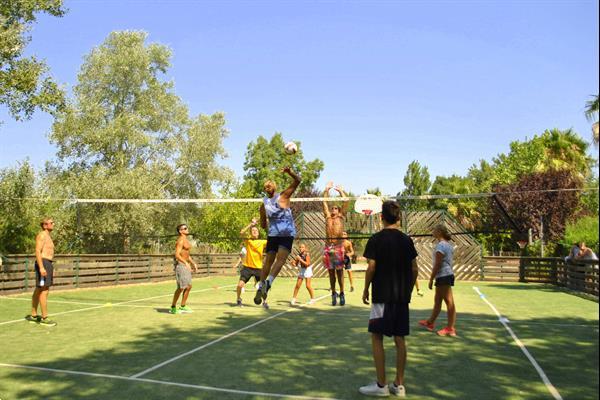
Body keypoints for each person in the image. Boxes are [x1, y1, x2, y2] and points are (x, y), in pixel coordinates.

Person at [359, 201, 418, 397]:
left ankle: (381, 385)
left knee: (377, 336)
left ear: (380, 217)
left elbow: (372, 267)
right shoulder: (407, 240)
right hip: (401, 297)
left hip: (381, 297)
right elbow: (414, 269)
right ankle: (399, 385)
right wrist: (407, 290)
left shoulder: (376, 239)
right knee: (399, 339)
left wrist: (366, 288)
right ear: (398, 218)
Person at [254, 167, 301, 309]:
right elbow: (298, 180)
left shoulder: (263, 204)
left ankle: (260, 285)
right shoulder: (283, 197)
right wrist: (290, 172)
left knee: (267, 262)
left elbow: (262, 224)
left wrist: (266, 223)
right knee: (280, 261)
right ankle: (268, 282)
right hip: (286, 233)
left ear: (265, 190)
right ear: (275, 188)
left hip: (273, 234)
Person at [418, 224, 457, 337]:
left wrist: (431, 279)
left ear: (439, 232)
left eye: (434, 230)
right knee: (438, 301)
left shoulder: (441, 245)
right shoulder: (448, 245)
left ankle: (450, 328)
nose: (432, 232)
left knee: (449, 302)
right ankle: (430, 323)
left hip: (444, 275)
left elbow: (438, 264)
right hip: (444, 276)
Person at [25, 217, 57, 326]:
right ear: (44, 225)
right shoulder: (42, 235)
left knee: (39, 289)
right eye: (51, 222)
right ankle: (44, 318)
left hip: (47, 263)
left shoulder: (48, 236)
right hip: (43, 263)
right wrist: (42, 267)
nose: (53, 224)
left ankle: (33, 315)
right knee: (44, 290)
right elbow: (37, 251)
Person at [323, 181, 350, 306]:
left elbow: (346, 201)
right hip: (329, 247)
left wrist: (340, 191)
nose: (333, 209)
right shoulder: (328, 217)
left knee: (340, 272)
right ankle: (333, 293)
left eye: (335, 208)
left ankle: (342, 293)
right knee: (331, 272)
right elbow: (324, 202)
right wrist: (327, 190)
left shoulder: (341, 217)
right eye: (332, 208)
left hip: (339, 247)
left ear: (338, 210)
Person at [237, 218, 267, 306]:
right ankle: (238, 299)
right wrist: (251, 224)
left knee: (263, 286)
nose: (254, 231)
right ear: (251, 233)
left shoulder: (262, 242)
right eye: (253, 230)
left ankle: (264, 302)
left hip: (258, 268)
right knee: (240, 285)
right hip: (248, 267)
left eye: (256, 230)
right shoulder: (248, 241)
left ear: (258, 233)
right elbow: (241, 233)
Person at [170, 224, 198, 314]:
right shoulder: (180, 241)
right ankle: (173, 307)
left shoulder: (186, 240)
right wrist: (186, 263)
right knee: (181, 288)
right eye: (185, 228)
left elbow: (187, 254)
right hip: (181, 266)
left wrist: (193, 263)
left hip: (186, 266)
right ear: (180, 231)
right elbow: (177, 255)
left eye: (187, 228)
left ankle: (182, 306)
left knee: (188, 286)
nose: (187, 229)